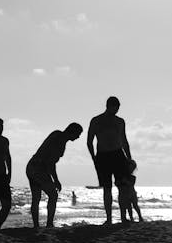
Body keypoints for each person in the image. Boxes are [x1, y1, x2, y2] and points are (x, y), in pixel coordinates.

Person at [27, 122, 83, 228]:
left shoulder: (57, 135)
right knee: (53, 195)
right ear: (72, 131)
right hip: (38, 168)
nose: (78, 137)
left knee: (36, 198)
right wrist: (56, 180)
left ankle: (37, 226)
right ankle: (48, 224)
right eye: (78, 134)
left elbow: (50, 161)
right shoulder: (59, 139)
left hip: (32, 166)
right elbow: (50, 162)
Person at [87, 96, 132, 224]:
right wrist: (94, 157)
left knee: (122, 187)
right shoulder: (96, 120)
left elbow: (124, 141)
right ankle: (109, 219)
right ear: (109, 106)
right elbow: (89, 141)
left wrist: (129, 158)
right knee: (107, 188)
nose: (117, 110)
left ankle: (123, 217)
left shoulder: (120, 121)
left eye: (118, 108)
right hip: (103, 156)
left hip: (118, 155)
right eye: (115, 107)